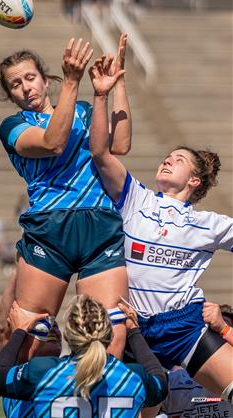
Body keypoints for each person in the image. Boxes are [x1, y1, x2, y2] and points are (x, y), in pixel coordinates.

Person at [0, 35, 132, 413]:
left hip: (99, 227)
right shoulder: (13, 126)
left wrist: (115, 84)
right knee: (29, 337)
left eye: (30, 78)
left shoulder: (88, 110)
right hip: (50, 232)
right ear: (10, 95)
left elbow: (119, 145)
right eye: (15, 84)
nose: (25, 88)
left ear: (45, 79)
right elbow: (53, 141)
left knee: (111, 335)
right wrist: (74, 82)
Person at [88, 56, 233, 404]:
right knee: (111, 407)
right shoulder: (135, 197)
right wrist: (104, 93)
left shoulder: (211, 224)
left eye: (178, 159)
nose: (167, 160)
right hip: (130, 325)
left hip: (183, 327)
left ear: (194, 180)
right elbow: (99, 153)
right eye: (166, 157)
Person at [0, 295, 168, 417]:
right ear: (109, 334)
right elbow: (159, 380)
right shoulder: (132, 377)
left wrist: (19, 331)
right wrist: (133, 331)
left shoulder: (43, 372)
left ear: (67, 335)